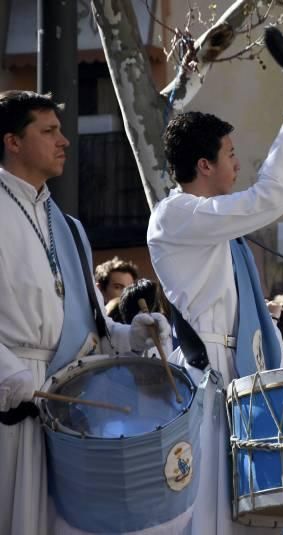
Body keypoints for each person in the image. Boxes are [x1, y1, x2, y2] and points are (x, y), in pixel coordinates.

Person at [147, 84, 283, 535]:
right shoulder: (177, 216)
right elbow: (263, 201)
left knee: (250, 511)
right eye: (230, 153)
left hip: (239, 374)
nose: (237, 163)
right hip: (209, 379)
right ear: (204, 164)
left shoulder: (216, 225)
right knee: (217, 510)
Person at [0, 90, 170, 534]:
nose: (65, 141)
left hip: (68, 409)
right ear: (12, 142)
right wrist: (7, 373)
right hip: (12, 401)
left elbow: (96, 327)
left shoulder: (71, 229)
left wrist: (132, 336)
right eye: (49, 130)